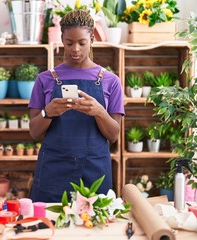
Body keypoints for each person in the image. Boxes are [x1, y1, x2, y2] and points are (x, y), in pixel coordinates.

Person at [28, 9, 124, 203]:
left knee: (95, 228)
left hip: (95, 170)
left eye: (82, 43)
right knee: (51, 228)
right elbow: (34, 132)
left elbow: (113, 135)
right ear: (62, 39)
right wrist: (48, 112)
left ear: (92, 40)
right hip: (53, 169)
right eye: (69, 43)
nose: (75, 49)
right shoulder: (45, 79)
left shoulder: (110, 81)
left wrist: (99, 112)